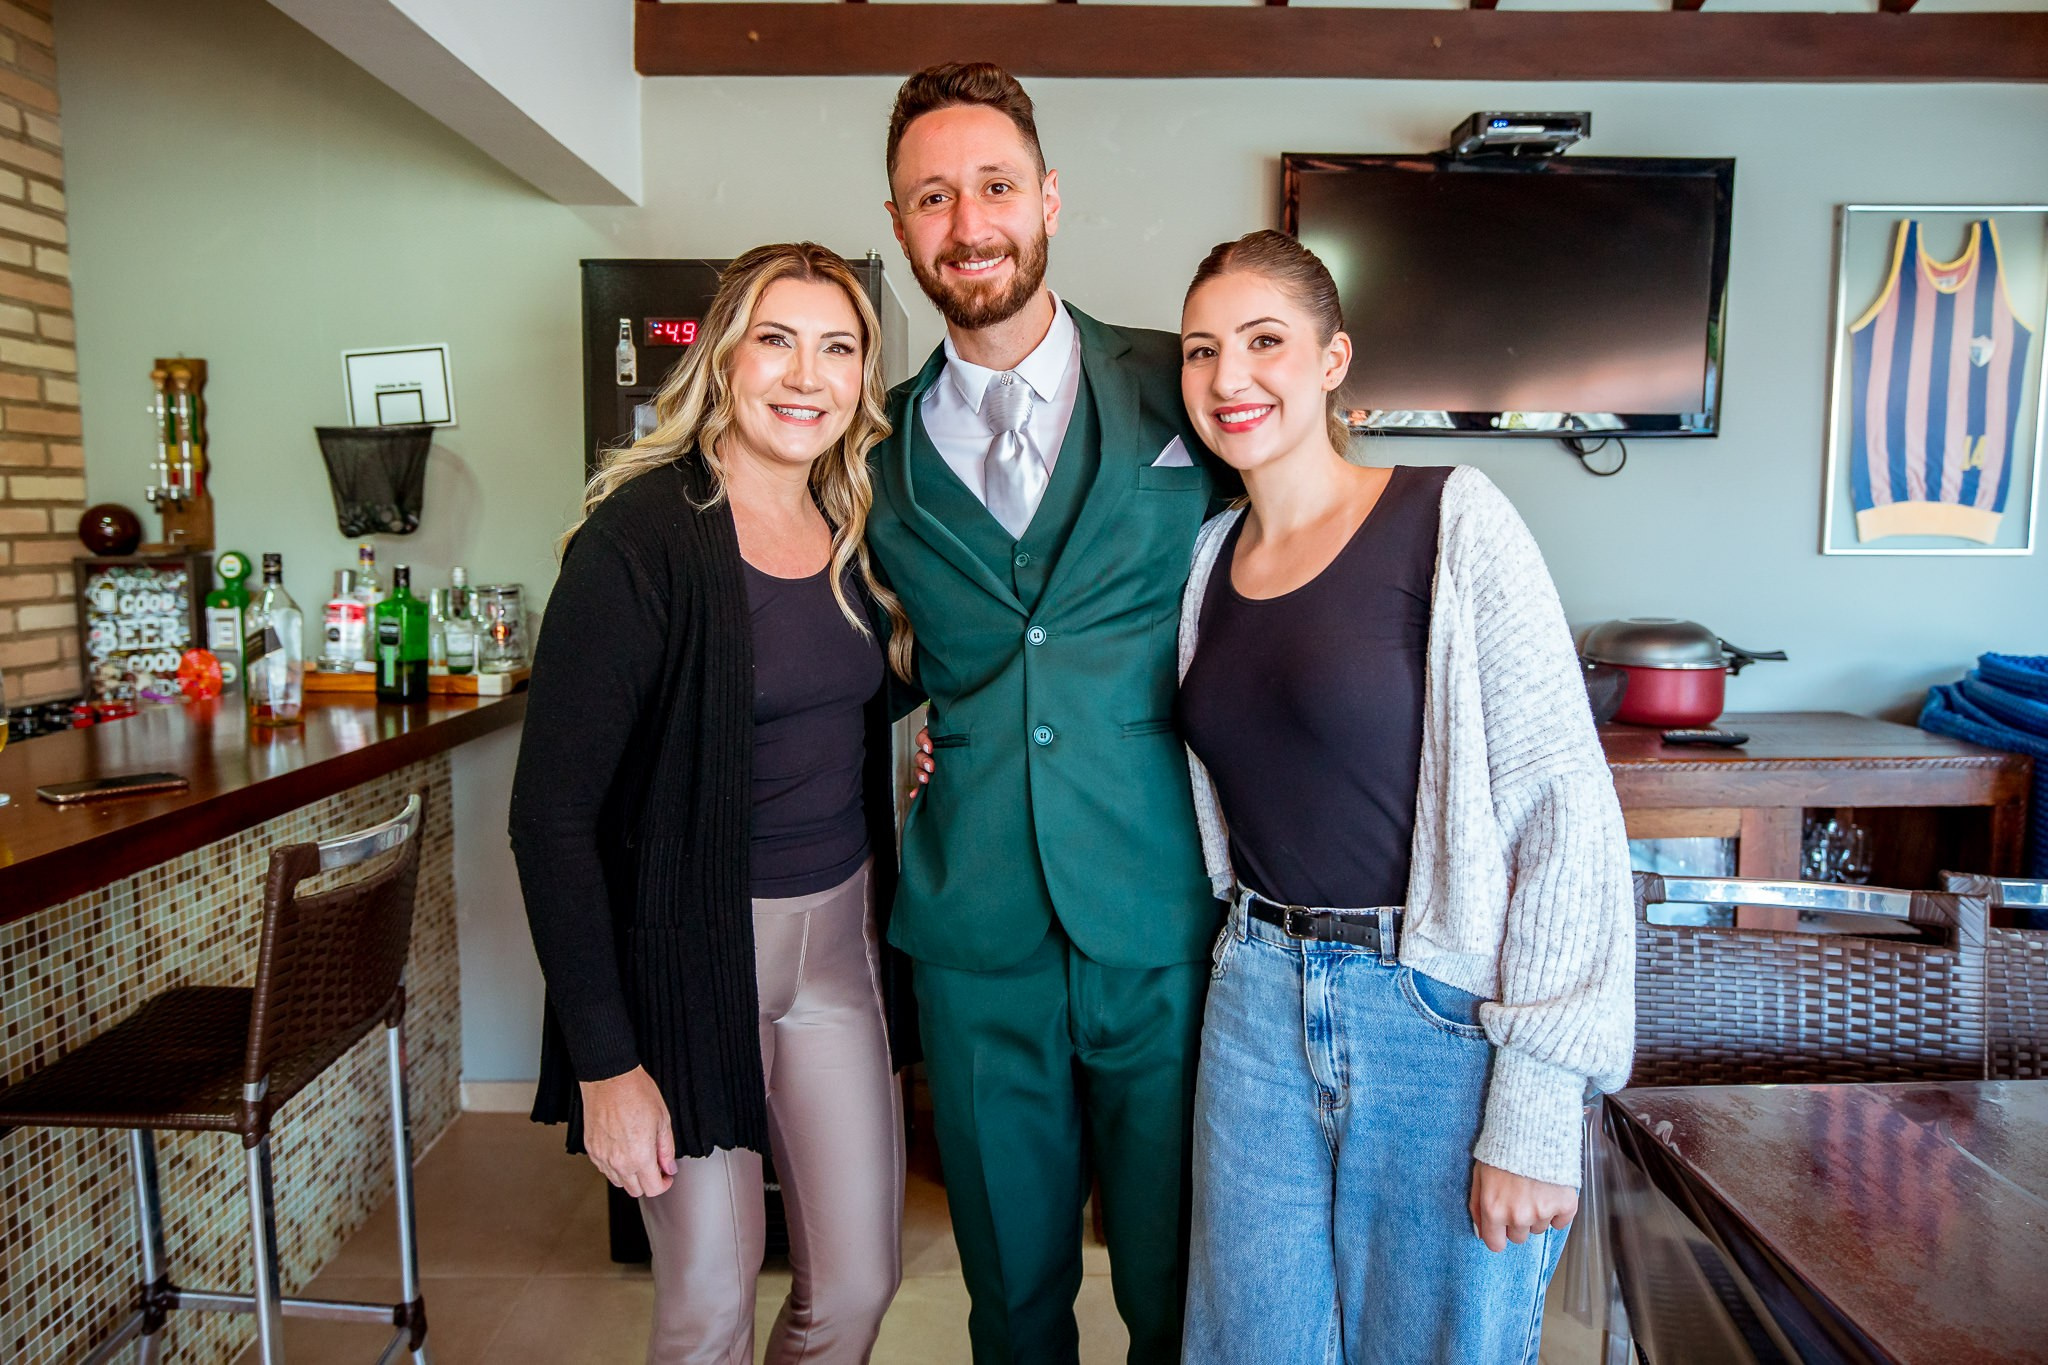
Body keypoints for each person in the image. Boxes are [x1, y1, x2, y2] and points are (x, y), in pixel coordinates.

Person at [1172, 230, 1636, 1364]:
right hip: (1253, 1007)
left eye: (1263, 341)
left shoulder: (1450, 517)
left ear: (1332, 360)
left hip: (1435, 1018)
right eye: (1199, 351)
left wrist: (1533, 1102)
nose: (1228, 378)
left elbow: (1562, 818)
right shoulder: (1204, 558)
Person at [863, 62, 1233, 1365]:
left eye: (996, 186)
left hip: (1162, 919)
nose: (970, 224)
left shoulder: (1184, 384)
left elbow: (1292, 568)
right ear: (901, 223)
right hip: (974, 937)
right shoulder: (871, 456)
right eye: (933, 197)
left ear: (1051, 198)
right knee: (1011, 1303)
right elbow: (856, 657)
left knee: (1177, 1289)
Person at [509, 242, 922, 1365]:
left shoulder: (857, 533)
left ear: (861, 379)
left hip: (833, 954)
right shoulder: (638, 540)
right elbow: (548, 820)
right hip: (686, 966)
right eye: (775, 341)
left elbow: (862, 706)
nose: (805, 375)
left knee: (857, 1286)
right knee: (705, 1302)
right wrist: (606, 1066)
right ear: (724, 359)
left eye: (837, 348)